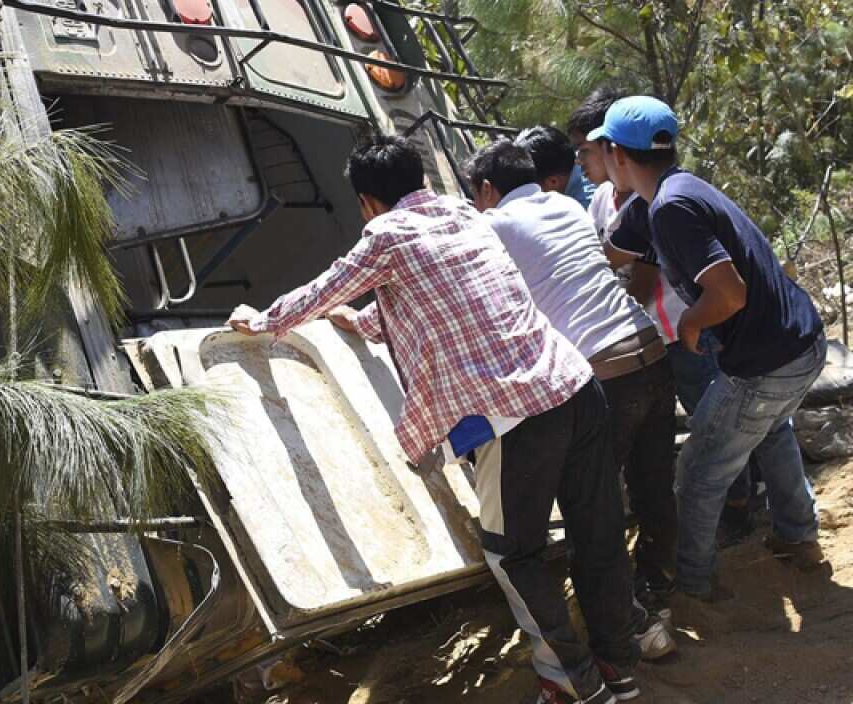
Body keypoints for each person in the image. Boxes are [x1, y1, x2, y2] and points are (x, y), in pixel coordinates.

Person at [227, 136, 641, 704]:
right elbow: (447, 298)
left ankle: (572, 683)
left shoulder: (385, 235)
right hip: (574, 384)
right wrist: (365, 322)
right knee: (596, 532)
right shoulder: (466, 215)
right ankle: (620, 666)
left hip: (515, 414)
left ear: (367, 202)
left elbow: (327, 287)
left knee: (512, 553)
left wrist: (263, 320)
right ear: (420, 179)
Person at [594, 96, 828, 603]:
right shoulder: (668, 194)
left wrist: (692, 323)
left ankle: (693, 584)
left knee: (699, 471)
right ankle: (797, 537)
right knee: (771, 432)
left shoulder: (671, 208)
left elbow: (730, 294)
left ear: (617, 153)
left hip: (766, 364)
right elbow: (607, 252)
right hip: (801, 343)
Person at [466, 139, 680, 628]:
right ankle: (661, 589)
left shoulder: (492, 225)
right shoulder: (567, 206)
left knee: (592, 513)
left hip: (602, 372)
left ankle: (626, 625)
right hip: (648, 349)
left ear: (486, 189)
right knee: (653, 485)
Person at [570, 90, 758, 544]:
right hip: (649, 336)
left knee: (710, 424)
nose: (581, 162)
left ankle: (739, 506)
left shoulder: (657, 200)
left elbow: (645, 271)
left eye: (586, 151)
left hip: (679, 331)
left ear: (614, 149)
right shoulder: (602, 202)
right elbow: (603, 257)